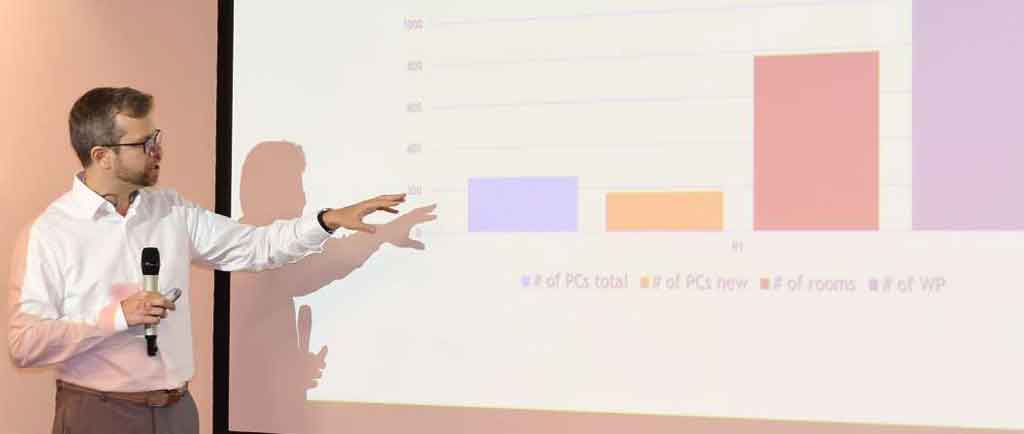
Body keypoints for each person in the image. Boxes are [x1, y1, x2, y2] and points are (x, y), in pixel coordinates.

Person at [7, 87, 407, 434]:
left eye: (156, 137)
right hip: (99, 414)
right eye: (144, 143)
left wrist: (327, 220)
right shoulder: (50, 234)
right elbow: (25, 344)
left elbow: (256, 246)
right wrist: (116, 317)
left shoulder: (170, 210)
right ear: (102, 156)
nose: (158, 150)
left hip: (176, 412)